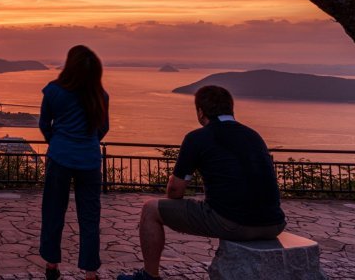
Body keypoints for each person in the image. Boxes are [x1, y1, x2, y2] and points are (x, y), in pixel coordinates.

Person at [117, 85, 286, 280]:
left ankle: (149, 276)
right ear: (231, 109)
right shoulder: (253, 136)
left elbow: (175, 190)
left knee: (150, 209)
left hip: (233, 221)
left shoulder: (198, 138)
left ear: (200, 112)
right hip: (274, 222)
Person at [39, 45, 110, 280]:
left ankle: (52, 265)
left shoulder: (53, 91)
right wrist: (88, 142)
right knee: (90, 216)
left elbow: (43, 124)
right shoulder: (100, 95)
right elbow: (103, 128)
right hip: (89, 161)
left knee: (53, 212)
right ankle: (90, 272)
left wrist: (57, 142)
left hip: (60, 158)